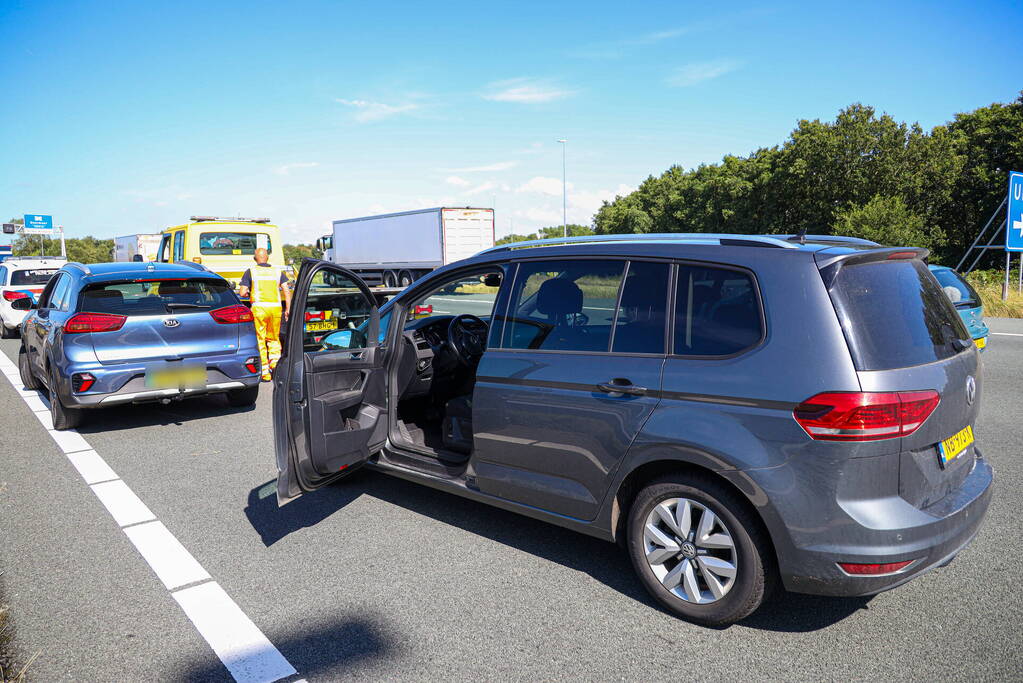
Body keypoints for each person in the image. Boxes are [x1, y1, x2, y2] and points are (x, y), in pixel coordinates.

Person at [238, 248, 291, 381]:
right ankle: (276, 368)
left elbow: (242, 292)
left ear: (255, 259)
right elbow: (287, 290)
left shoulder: (251, 272)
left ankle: (265, 373)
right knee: (274, 339)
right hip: (275, 309)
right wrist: (288, 309)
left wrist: (250, 293)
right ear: (267, 258)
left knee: (260, 340)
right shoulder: (277, 271)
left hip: (259, 310)